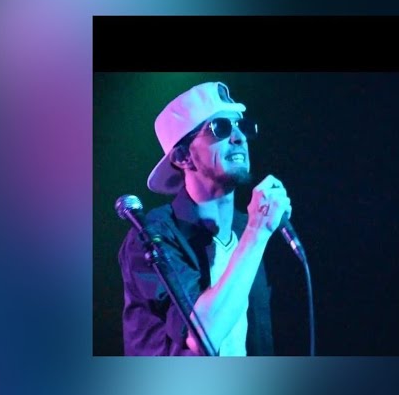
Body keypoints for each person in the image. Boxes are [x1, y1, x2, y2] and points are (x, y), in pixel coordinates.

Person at [119, 82, 292, 356]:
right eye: (219, 128)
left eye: (241, 126)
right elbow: (202, 337)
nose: (239, 137)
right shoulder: (152, 236)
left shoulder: (244, 228)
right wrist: (257, 231)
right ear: (182, 157)